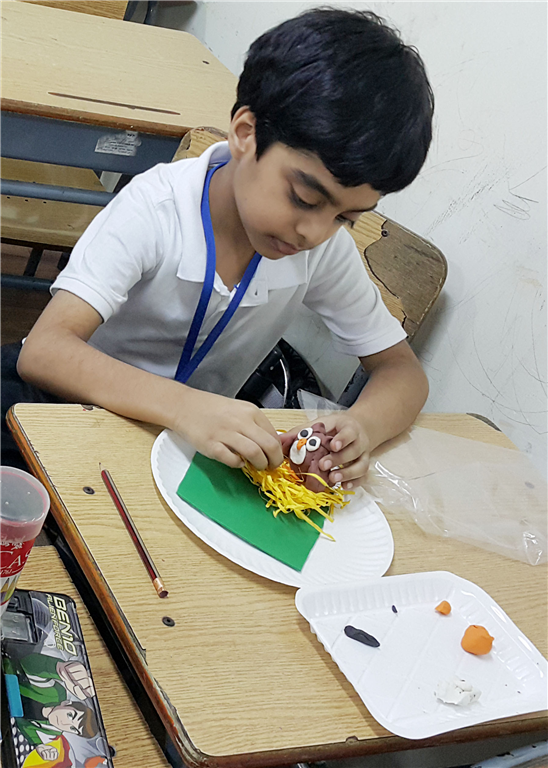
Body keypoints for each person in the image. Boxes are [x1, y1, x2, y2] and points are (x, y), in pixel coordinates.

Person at [2, 8, 433, 490]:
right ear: (246, 134)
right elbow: (44, 352)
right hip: (67, 405)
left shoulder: (320, 250)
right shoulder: (157, 208)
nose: (314, 232)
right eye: (304, 198)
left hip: (183, 445)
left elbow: (402, 372)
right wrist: (185, 406)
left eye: (345, 218)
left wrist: (362, 427)